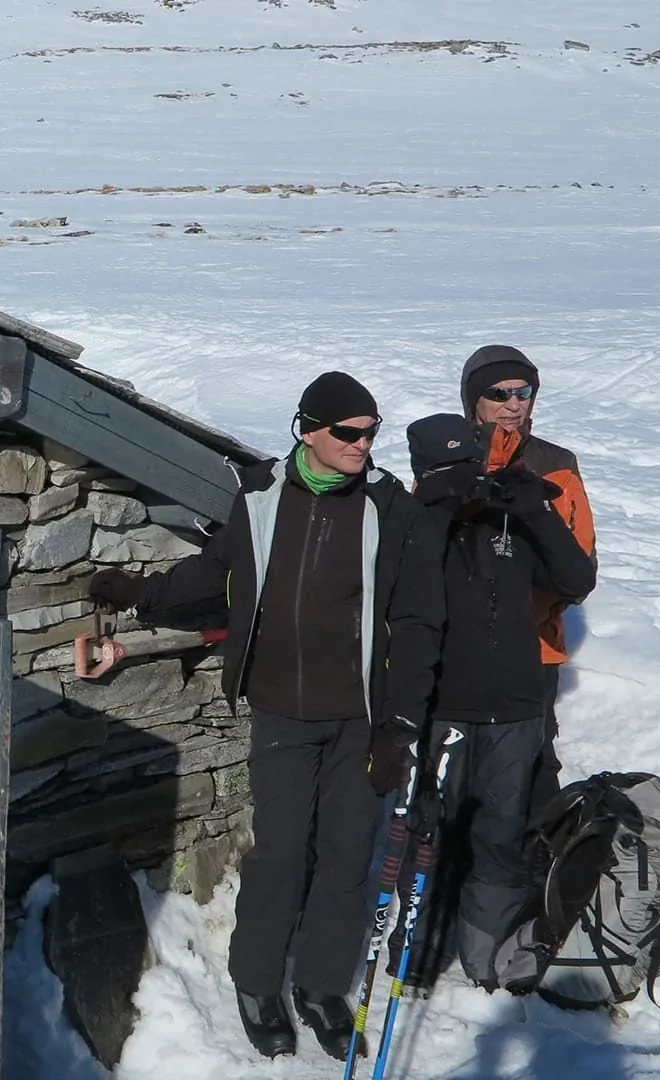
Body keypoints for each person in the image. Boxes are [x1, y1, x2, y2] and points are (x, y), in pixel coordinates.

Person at [87, 372, 444, 1061]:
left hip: (362, 719)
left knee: (346, 857)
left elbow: (421, 620)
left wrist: (401, 726)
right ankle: (256, 983)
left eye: (371, 432)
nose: (363, 444)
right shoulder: (260, 499)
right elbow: (216, 572)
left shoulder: (391, 511)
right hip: (282, 709)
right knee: (281, 851)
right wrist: (140, 594)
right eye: (348, 432)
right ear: (308, 429)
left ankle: (319, 987)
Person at [398, 413, 597, 990]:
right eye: (449, 469)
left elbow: (574, 580)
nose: (466, 480)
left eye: (471, 466)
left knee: (501, 839)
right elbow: (400, 587)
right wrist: (438, 506)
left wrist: (534, 510)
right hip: (444, 709)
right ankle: (414, 953)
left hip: (515, 710)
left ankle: (483, 957)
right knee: (428, 831)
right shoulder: (414, 525)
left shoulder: (510, 522)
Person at [460, 345, 597, 808]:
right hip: (460, 647)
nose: (514, 404)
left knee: (535, 767)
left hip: (534, 648)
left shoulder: (556, 465)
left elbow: (579, 565)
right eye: (499, 393)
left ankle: (540, 871)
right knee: (460, 768)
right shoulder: (448, 459)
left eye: (524, 393)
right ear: (473, 400)